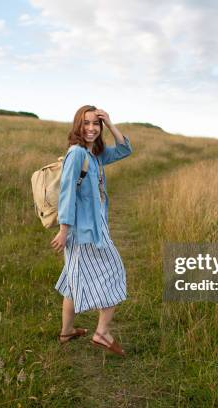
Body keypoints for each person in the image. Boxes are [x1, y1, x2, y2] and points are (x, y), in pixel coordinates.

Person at [51, 105, 133, 357]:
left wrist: (109, 121)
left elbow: (124, 149)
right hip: (84, 231)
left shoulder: (95, 154)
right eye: (86, 123)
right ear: (78, 125)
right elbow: (67, 193)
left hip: (93, 227)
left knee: (73, 281)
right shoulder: (76, 154)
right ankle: (102, 333)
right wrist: (64, 230)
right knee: (115, 272)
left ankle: (66, 332)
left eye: (95, 124)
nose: (90, 128)